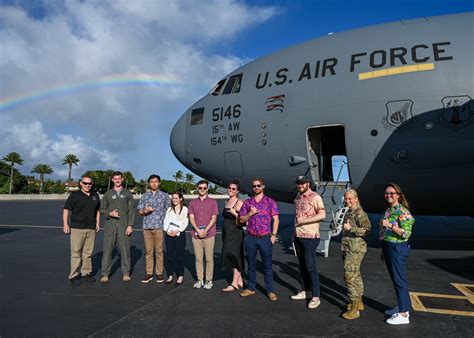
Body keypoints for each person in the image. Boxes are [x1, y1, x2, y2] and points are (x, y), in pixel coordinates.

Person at [239, 178, 279, 301]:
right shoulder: (247, 203)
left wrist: (273, 235)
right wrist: (250, 214)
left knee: (267, 266)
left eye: (258, 185)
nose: (256, 187)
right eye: (254, 186)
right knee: (251, 265)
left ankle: (270, 290)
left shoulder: (270, 202)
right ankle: (251, 288)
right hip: (250, 237)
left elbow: (276, 219)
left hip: (265, 238)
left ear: (263, 186)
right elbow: (241, 220)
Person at [380, 183, 415, 325]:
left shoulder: (403, 212)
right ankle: (402, 306)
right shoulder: (389, 211)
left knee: (400, 280)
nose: (389, 195)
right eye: (386, 193)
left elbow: (406, 234)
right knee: (396, 279)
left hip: (397, 247)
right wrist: (382, 249)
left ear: (399, 195)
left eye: (392, 193)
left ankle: (403, 314)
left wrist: (390, 226)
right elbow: (385, 232)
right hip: (388, 246)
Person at [291, 176, 326, 309]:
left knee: (310, 266)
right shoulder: (298, 198)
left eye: (302, 183)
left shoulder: (315, 197)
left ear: (308, 183)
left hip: (310, 236)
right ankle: (305, 291)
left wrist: (304, 221)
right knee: (302, 265)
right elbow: (296, 218)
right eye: (298, 183)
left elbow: (322, 215)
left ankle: (316, 296)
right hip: (299, 235)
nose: (300, 185)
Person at [63, 175, 100, 285]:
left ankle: (86, 273)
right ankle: (73, 275)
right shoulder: (75, 195)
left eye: (90, 183)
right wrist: (65, 224)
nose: (87, 185)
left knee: (88, 253)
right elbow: (66, 209)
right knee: (76, 253)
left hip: (91, 228)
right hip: (77, 228)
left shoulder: (95, 195)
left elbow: (97, 210)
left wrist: (98, 222)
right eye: (85, 183)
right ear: (81, 183)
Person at [340, 189, 371, 319]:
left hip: (355, 249)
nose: (348, 201)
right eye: (346, 198)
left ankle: (354, 308)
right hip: (349, 248)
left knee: (349, 276)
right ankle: (359, 302)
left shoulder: (359, 213)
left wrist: (350, 228)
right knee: (356, 274)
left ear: (356, 199)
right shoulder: (350, 211)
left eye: (350, 199)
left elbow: (367, 230)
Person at [100, 171, 135, 283]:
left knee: (125, 249)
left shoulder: (128, 194)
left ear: (122, 179)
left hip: (123, 224)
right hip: (110, 224)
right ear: (112, 180)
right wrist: (109, 213)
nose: (117, 180)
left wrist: (130, 225)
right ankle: (105, 273)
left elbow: (131, 211)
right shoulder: (107, 194)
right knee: (107, 249)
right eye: (115, 178)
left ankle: (126, 273)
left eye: (119, 178)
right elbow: (101, 209)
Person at [137, 174, 171, 283]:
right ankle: (149, 273)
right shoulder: (144, 196)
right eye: (152, 181)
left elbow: (169, 211)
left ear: (159, 183)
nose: (154, 183)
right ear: (149, 183)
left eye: (156, 181)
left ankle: (159, 273)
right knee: (148, 252)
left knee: (159, 251)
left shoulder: (164, 196)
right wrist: (145, 211)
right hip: (147, 227)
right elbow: (139, 211)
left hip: (159, 227)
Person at [188, 180, 218, 290]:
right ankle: (200, 279)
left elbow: (214, 218)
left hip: (209, 234)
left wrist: (205, 230)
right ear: (197, 188)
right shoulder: (192, 203)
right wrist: (197, 230)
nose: (202, 190)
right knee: (198, 258)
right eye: (200, 187)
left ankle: (209, 280)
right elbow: (191, 218)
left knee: (209, 258)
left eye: (204, 188)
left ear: (207, 189)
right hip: (195, 235)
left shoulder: (213, 202)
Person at [221, 180, 245, 292]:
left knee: (234, 255)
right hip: (227, 233)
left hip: (235, 233)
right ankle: (239, 280)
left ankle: (234, 284)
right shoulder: (227, 201)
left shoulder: (239, 203)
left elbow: (243, 220)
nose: (230, 190)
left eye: (233, 189)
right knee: (228, 255)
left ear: (237, 191)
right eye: (229, 188)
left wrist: (234, 213)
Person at [163, 192, 188, 285]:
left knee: (179, 256)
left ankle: (180, 276)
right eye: (173, 198)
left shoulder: (185, 209)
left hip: (179, 235)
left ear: (181, 199)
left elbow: (185, 222)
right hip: (169, 235)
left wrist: (177, 231)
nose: (175, 200)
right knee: (169, 256)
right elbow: (166, 221)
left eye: (177, 198)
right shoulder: (169, 209)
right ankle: (170, 276)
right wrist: (167, 231)